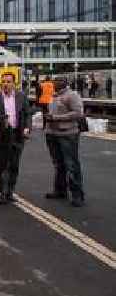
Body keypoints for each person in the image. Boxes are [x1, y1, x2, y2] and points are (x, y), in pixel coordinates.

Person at [0, 72, 32, 204]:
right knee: (4, 164)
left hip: (17, 134)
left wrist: (27, 127)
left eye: (8, 82)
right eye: (3, 82)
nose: (5, 84)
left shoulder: (21, 97)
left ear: (14, 83)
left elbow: (27, 113)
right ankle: (3, 193)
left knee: (14, 165)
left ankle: (10, 191)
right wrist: (0, 120)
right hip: (3, 135)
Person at [45, 76, 86, 207]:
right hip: (52, 134)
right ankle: (60, 190)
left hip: (67, 134)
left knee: (71, 164)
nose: (55, 83)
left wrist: (56, 118)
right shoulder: (53, 95)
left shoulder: (72, 95)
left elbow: (78, 113)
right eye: (54, 81)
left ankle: (77, 195)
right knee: (58, 164)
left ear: (65, 83)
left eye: (58, 81)